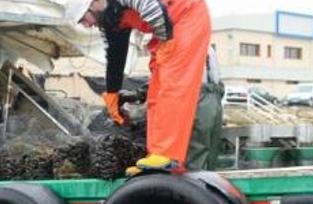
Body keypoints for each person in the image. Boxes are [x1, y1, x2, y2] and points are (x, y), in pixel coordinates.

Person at [66, 0, 212, 176]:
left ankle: (167, 155)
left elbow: (153, 8)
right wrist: (112, 93)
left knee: (172, 87)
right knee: (156, 94)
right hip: (167, 26)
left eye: (84, 18)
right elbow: (115, 55)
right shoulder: (109, 19)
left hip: (186, 17)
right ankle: (157, 155)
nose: (87, 25)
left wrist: (166, 43)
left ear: (94, 3)